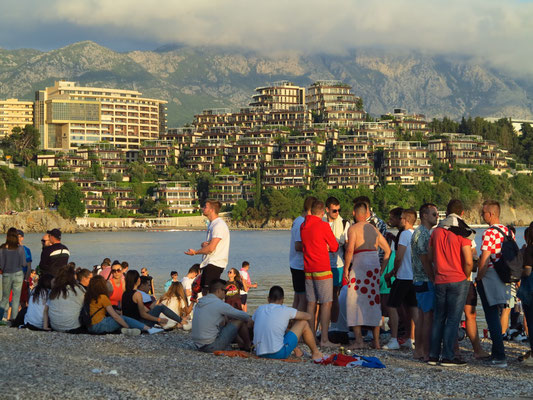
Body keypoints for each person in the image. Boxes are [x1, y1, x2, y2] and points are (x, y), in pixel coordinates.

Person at [427, 199, 473, 366]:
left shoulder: (436, 232)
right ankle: (448, 356)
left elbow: (430, 256)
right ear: (462, 213)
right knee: (453, 319)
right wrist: (466, 276)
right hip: (458, 278)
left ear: (446, 212)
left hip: (440, 278)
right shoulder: (462, 231)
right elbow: (468, 260)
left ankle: (433, 355)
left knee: (439, 318)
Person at [343, 202, 391, 349]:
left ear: (354, 213)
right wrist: (382, 268)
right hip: (374, 264)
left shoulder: (353, 229)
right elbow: (388, 250)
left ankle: (359, 340)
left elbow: (350, 250)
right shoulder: (374, 229)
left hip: (360, 264)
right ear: (367, 214)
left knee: (353, 301)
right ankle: (376, 341)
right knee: (373, 302)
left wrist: (346, 268)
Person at [476, 200, 514, 368]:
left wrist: (478, 278)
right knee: (498, 313)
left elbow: (485, 259)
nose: (482, 215)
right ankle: (498, 352)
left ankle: (499, 355)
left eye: (483, 213)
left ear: (491, 214)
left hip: (490, 275)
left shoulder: (489, 233)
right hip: (504, 275)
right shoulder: (507, 231)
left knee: (491, 315)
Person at [300, 199, 339, 348]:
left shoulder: (303, 225)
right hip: (322, 267)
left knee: (311, 303)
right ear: (323, 212)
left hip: (308, 268)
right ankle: (324, 339)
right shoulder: (323, 225)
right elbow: (335, 246)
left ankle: (310, 337)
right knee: (326, 303)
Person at [253, 285, 323, 361]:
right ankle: (316, 353)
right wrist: (292, 319)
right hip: (278, 353)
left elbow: (251, 324)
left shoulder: (260, 309)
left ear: (268, 299)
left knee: (279, 329)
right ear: (282, 300)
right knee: (303, 323)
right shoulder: (286, 310)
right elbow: (308, 317)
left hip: (259, 352)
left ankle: (297, 350)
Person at [383, 209, 418, 350]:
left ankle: (394, 339)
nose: (401, 220)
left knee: (391, 306)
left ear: (406, 220)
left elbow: (399, 257)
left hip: (403, 276)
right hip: (413, 277)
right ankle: (414, 338)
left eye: (402, 218)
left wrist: (392, 272)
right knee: (413, 308)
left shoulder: (404, 234)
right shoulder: (415, 234)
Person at [192, 279, 252, 352]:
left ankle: (241, 343)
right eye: (225, 291)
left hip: (198, 344)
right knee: (239, 320)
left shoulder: (201, 301)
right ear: (219, 291)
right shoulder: (218, 304)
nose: (226, 293)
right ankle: (248, 346)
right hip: (211, 346)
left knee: (226, 319)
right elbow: (241, 315)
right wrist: (250, 319)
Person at [185, 199, 230, 295]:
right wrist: (204, 244)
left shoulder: (219, 225)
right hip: (209, 263)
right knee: (205, 292)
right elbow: (211, 244)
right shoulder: (212, 224)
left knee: (209, 294)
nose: (203, 208)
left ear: (212, 210)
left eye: (205, 207)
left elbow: (211, 248)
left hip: (214, 263)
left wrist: (195, 252)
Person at [411, 203, 438, 361]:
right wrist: (433, 279)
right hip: (424, 279)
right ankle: (424, 351)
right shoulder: (423, 234)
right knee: (427, 317)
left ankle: (419, 350)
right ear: (425, 216)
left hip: (418, 280)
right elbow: (425, 260)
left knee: (422, 316)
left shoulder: (420, 233)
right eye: (434, 214)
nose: (437, 217)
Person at [84, 275, 150, 335]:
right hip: (99, 326)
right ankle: (148, 329)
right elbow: (115, 316)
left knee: (118, 320)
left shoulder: (89, 297)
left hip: (90, 327)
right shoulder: (102, 297)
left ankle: (122, 330)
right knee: (123, 318)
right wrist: (127, 326)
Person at [324, 196, 350, 324]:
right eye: (334, 210)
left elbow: (347, 244)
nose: (337, 213)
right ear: (327, 209)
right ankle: (324, 328)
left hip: (338, 264)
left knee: (335, 296)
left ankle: (334, 325)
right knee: (323, 298)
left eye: (339, 210)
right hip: (323, 264)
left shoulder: (344, 223)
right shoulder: (322, 223)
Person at [289, 196, 316, 312]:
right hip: (300, 266)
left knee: (297, 297)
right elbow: (298, 245)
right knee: (303, 299)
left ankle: (291, 323)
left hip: (296, 264)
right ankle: (297, 325)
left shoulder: (298, 220)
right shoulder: (302, 222)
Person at [43, 264, 85, 333]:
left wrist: (45, 326)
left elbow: (46, 310)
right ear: (73, 276)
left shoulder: (54, 290)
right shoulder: (79, 289)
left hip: (55, 326)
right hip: (73, 327)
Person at [0, 227, 28, 323]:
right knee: (16, 298)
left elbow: (1, 264)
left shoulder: (3, 248)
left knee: (5, 298)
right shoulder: (20, 248)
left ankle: (0, 318)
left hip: (7, 274)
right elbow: (24, 263)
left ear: (7, 236)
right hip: (18, 274)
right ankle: (15, 320)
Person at [517, 222, 533, 366]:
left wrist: (517, 273)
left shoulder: (529, 250)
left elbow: (527, 271)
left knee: (531, 322)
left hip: (530, 290)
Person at [17, 230, 32, 307]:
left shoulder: (26, 250)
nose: (17, 238)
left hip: (23, 277)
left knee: (24, 299)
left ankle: (23, 316)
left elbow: (29, 266)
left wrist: (26, 279)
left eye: (19, 236)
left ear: (22, 238)